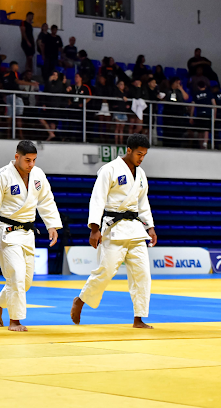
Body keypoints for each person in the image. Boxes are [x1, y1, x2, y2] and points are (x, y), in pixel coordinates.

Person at [71, 134, 157, 329]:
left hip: (135, 229)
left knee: (143, 275)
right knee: (106, 272)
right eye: (139, 154)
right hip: (114, 228)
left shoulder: (141, 174)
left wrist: (150, 227)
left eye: (144, 155)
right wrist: (95, 228)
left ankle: (139, 318)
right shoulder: (109, 169)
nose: (141, 158)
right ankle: (81, 300)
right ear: (128, 150)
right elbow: (97, 198)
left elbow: (143, 204)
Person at [0, 140, 62, 331]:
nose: (31, 164)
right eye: (27, 160)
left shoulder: (38, 174)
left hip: (27, 234)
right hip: (6, 233)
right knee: (16, 276)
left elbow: (46, 200)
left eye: (34, 160)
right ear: (17, 156)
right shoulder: (0, 176)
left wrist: (52, 225)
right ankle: (15, 320)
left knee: (25, 282)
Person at [162, 77, 189, 147]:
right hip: (169, 114)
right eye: (177, 83)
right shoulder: (167, 90)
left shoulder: (180, 91)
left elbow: (186, 97)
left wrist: (181, 89)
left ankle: (177, 145)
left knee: (178, 131)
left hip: (178, 114)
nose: (178, 84)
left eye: (179, 83)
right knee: (168, 131)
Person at [190, 81, 214, 149]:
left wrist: (191, 117)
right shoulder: (209, 93)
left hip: (199, 114)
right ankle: (205, 144)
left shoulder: (195, 94)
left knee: (200, 131)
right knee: (206, 129)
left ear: (198, 87)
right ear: (205, 86)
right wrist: (214, 116)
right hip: (208, 114)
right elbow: (214, 104)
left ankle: (201, 146)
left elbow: (192, 106)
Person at [111, 79, 130, 145]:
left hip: (123, 111)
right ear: (117, 85)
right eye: (121, 84)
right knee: (117, 127)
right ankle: (116, 142)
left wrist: (127, 105)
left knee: (121, 128)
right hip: (117, 111)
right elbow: (114, 98)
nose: (122, 85)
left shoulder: (125, 93)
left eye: (123, 84)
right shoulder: (115, 91)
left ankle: (121, 142)